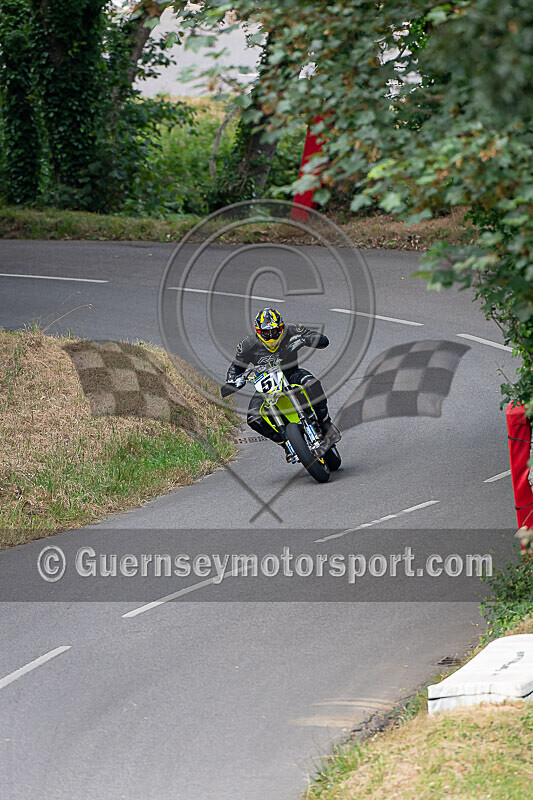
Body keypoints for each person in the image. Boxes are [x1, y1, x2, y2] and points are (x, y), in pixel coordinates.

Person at [221, 308, 341, 458]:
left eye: (275, 332)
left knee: (311, 383)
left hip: (292, 375)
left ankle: (325, 423)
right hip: (266, 387)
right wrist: (232, 380)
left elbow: (323, 340)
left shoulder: (292, 330)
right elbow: (236, 366)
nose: (271, 337)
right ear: (259, 332)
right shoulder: (247, 345)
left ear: (282, 327)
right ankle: (286, 443)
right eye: (266, 333)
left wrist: (305, 339)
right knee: (253, 418)